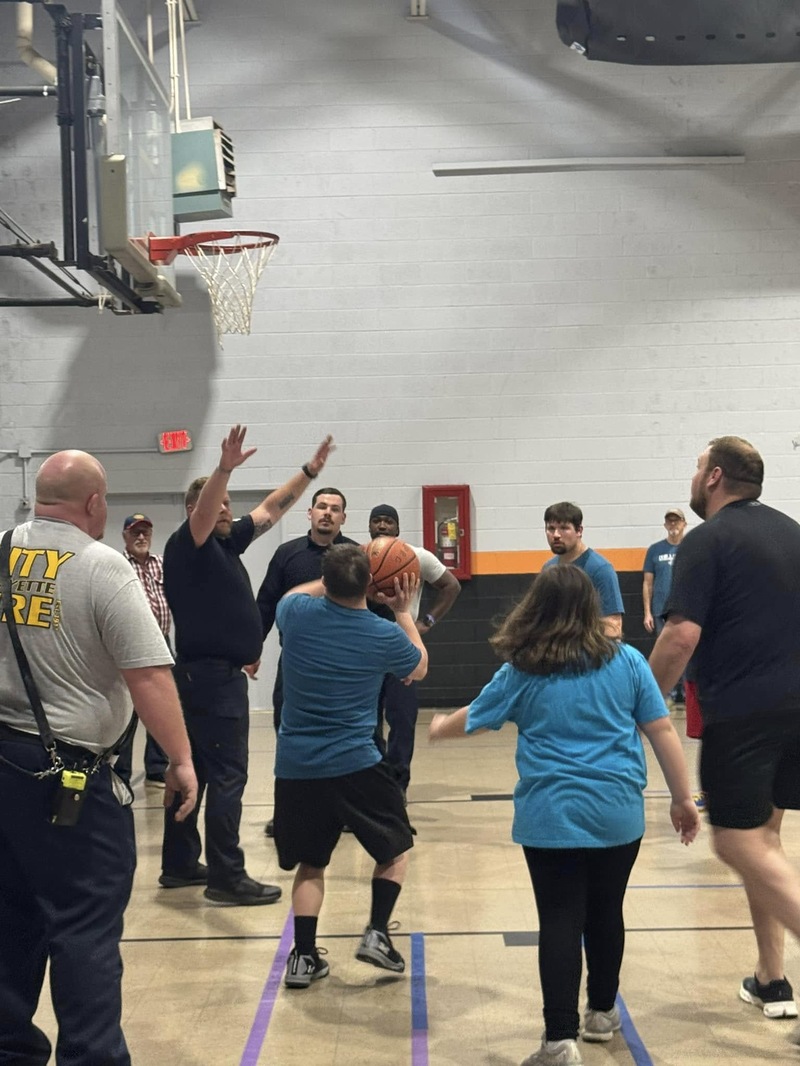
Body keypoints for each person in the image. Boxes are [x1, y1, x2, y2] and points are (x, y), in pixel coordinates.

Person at [429, 565, 698, 1066]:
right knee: (606, 913)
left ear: (536, 607)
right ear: (591, 608)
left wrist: (440, 727)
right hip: (617, 814)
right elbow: (661, 730)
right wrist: (683, 798)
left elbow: (478, 718)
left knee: (558, 920)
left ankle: (559, 1041)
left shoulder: (525, 668)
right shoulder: (627, 661)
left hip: (550, 817)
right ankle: (601, 1013)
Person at [0, 450, 198, 1066]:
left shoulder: (2, 551)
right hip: (70, 778)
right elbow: (148, 674)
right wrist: (181, 759)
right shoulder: (102, 565)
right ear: (93, 503)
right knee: (84, 924)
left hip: (4, 767)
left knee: (10, 918)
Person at [649, 436, 800, 1026]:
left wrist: (636, 704)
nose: (693, 476)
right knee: (763, 840)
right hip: (794, 710)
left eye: (696, 467)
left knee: (735, 842)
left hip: (744, 715)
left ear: (714, 477)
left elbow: (680, 636)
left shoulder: (705, 540)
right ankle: (771, 977)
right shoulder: (792, 532)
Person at [161, 425, 334, 905]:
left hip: (207, 676)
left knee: (191, 769)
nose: (225, 509)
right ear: (195, 510)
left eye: (228, 503)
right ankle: (226, 876)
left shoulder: (225, 542)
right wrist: (224, 468)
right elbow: (206, 510)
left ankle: (179, 864)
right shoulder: (187, 544)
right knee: (227, 777)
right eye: (216, 504)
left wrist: (308, 472)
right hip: (212, 681)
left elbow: (272, 508)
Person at [273, 544, 427, 988]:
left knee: (311, 864)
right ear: (370, 584)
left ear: (326, 581)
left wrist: (332, 579)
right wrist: (401, 610)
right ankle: (376, 932)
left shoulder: (295, 614)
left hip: (297, 766)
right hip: (357, 763)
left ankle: (303, 957)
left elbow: (291, 595)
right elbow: (419, 667)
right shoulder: (383, 634)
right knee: (394, 851)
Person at [256, 485, 355, 836]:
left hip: (343, 667)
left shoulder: (356, 556)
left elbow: (375, 609)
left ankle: (347, 812)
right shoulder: (288, 554)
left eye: (334, 508)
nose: (327, 513)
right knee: (288, 737)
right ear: (309, 513)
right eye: (321, 506)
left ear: (343, 518)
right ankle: (288, 813)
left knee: (346, 740)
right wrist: (252, 649)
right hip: (296, 665)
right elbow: (265, 604)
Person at [368, 503, 461, 793]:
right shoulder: (359, 558)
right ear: (369, 526)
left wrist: (427, 621)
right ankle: (372, 784)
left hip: (401, 648)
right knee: (366, 722)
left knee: (402, 719)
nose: (382, 525)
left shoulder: (417, 556)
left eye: (388, 521)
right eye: (377, 521)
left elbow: (452, 586)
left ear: (397, 528)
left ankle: (397, 787)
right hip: (366, 651)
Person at [114, 512, 170, 786]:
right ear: (124, 536)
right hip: (129, 646)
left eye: (145, 531)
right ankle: (121, 771)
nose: (141, 537)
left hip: (162, 643)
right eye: (135, 532)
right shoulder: (117, 565)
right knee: (128, 711)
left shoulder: (162, 563)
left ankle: (157, 767)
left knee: (162, 707)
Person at [542, 502, 624, 638]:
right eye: (551, 528)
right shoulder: (548, 570)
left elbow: (614, 627)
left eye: (564, 528)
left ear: (579, 531)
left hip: (586, 649)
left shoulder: (600, 570)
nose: (556, 535)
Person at [642, 507, 687, 706]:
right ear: (665, 524)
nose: (673, 524)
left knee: (684, 650)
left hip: (685, 610)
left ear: (684, 524)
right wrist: (647, 612)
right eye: (669, 521)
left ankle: (684, 692)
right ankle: (667, 691)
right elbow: (647, 583)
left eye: (676, 520)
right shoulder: (655, 550)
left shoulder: (691, 547)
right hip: (660, 610)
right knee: (666, 652)